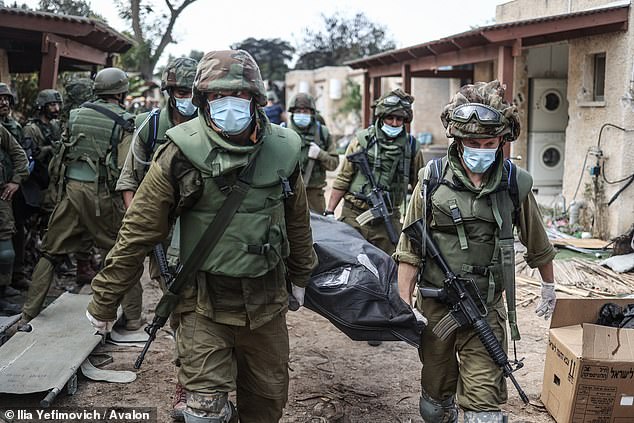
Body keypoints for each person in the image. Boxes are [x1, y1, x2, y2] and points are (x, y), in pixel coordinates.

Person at [86, 50, 317, 423]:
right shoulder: (179, 152)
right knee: (203, 413)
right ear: (203, 99)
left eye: (240, 96)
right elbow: (138, 230)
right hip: (201, 303)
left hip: (266, 302)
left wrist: (302, 273)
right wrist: (105, 298)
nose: (230, 105)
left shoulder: (284, 149)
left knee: (266, 405)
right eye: (217, 96)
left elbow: (297, 219)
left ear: (256, 98)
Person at [394, 80, 557, 423]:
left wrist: (549, 286)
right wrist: (404, 303)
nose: (480, 150)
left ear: (501, 141)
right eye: (472, 142)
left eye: (489, 143)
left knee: (485, 410)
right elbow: (410, 248)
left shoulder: (514, 183)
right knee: (434, 406)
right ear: (457, 139)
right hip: (437, 308)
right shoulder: (432, 180)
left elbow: (538, 242)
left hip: (485, 306)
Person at [20, 68, 139, 325]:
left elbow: (59, 159)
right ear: (121, 92)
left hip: (71, 192)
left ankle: (28, 312)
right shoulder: (126, 121)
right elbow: (126, 169)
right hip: (103, 197)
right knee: (123, 254)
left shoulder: (74, 115)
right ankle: (133, 319)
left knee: (50, 252)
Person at [115, 56, 198, 421]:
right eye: (183, 92)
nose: (190, 99)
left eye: (196, 92)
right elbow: (129, 182)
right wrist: (145, 228)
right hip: (165, 239)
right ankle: (189, 382)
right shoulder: (149, 128)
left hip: (207, 236)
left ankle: (211, 377)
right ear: (169, 92)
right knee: (179, 310)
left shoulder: (214, 125)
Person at [325, 88, 424, 256]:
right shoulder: (362, 141)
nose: (394, 123)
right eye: (390, 118)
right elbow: (343, 178)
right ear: (381, 118)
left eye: (399, 119)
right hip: (354, 215)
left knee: (389, 268)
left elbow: (420, 188)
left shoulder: (412, 147)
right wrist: (329, 211)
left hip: (389, 219)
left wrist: (419, 221)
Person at [11, 89, 63, 290]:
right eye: (52, 105)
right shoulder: (31, 129)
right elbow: (28, 157)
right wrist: (49, 150)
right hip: (36, 186)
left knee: (52, 226)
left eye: (57, 105)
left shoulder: (56, 126)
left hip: (53, 185)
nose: (56, 109)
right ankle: (24, 268)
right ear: (42, 106)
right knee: (28, 229)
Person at [285, 92, 339, 213]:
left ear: (312, 113)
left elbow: (334, 164)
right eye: (298, 111)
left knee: (318, 230)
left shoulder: (322, 133)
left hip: (314, 195)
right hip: (288, 193)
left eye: (305, 111)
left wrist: (320, 154)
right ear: (292, 113)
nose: (302, 114)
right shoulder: (283, 132)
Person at [0, 125, 29, 314]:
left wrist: (16, 180)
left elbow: (20, 155)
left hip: (1, 196)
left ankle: (1, 294)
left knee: (6, 254)